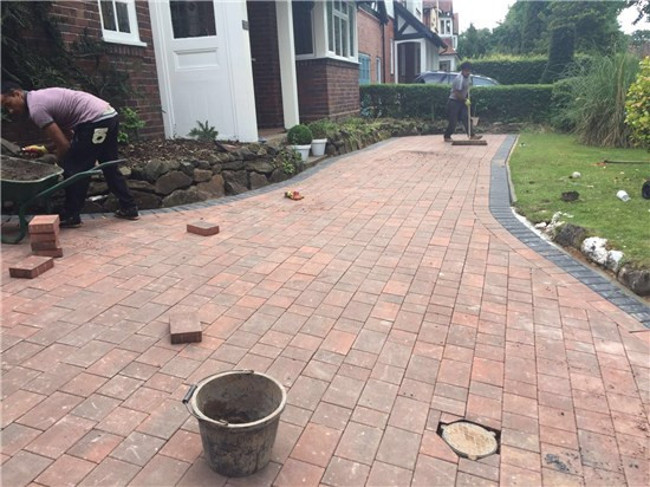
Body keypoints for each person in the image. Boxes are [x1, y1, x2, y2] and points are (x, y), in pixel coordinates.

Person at [1, 81, 139, 227]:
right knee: (109, 165)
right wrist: (44, 149)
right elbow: (68, 136)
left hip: (94, 121)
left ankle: (71, 215)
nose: (10, 111)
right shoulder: (38, 98)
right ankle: (129, 207)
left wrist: (57, 164)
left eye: (8, 104)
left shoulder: (36, 109)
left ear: (16, 93)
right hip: (108, 115)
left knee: (74, 167)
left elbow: (64, 146)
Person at [443, 62, 482, 143]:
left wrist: (467, 98)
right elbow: (456, 93)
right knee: (453, 120)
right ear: (462, 70)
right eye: (466, 71)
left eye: (469, 71)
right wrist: (465, 100)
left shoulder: (468, 77)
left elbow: (467, 89)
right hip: (454, 101)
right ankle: (447, 136)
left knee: (466, 117)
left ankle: (472, 135)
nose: (468, 72)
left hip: (462, 100)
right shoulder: (458, 79)